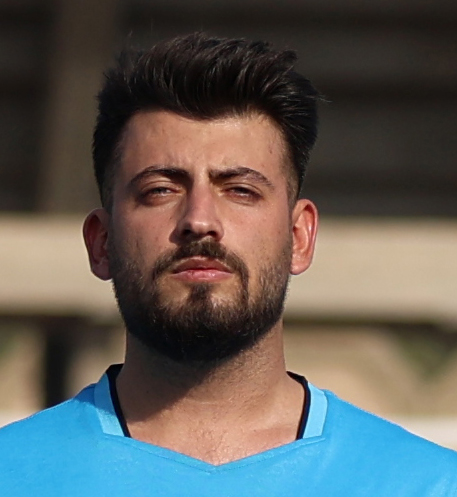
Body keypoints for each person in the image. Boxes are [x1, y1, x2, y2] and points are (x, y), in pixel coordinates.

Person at [1, 32, 456, 496]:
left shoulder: (428, 484)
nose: (200, 220)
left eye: (240, 190)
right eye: (161, 190)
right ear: (101, 242)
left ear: (299, 237)